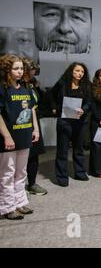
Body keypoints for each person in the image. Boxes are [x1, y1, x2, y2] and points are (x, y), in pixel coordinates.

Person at [0, 54, 40, 219]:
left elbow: (31, 110)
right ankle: (8, 207)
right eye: (15, 68)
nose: (19, 71)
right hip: (8, 138)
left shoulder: (26, 88)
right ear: (6, 70)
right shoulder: (2, 89)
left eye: (21, 68)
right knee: (7, 174)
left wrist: (35, 129)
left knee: (21, 172)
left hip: (25, 136)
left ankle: (20, 203)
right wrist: (7, 136)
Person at [50, 62, 91, 187]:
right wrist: (54, 108)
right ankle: (62, 177)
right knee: (62, 150)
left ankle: (79, 172)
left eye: (82, 72)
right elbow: (51, 95)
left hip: (80, 121)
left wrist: (83, 109)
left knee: (78, 149)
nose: (80, 74)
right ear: (71, 71)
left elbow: (89, 102)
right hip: (64, 121)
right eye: (77, 71)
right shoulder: (62, 83)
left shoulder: (87, 85)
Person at [22, 59, 47, 195]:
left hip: (34, 120)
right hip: (20, 123)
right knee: (19, 156)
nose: (33, 72)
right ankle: (16, 187)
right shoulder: (15, 86)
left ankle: (32, 183)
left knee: (34, 154)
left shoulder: (32, 84)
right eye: (31, 69)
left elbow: (36, 102)